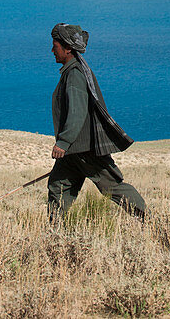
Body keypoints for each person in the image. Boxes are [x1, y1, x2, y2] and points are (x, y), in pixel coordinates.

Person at [47, 22, 146, 221]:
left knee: (112, 187)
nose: (52, 50)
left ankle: (148, 221)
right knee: (58, 186)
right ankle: (54, 233)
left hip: (84, 149)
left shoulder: (74, 74)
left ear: (68, 49)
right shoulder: (72, 71)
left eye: (55, 46)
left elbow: (77, 112)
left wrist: (64, 142)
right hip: (75, 150)